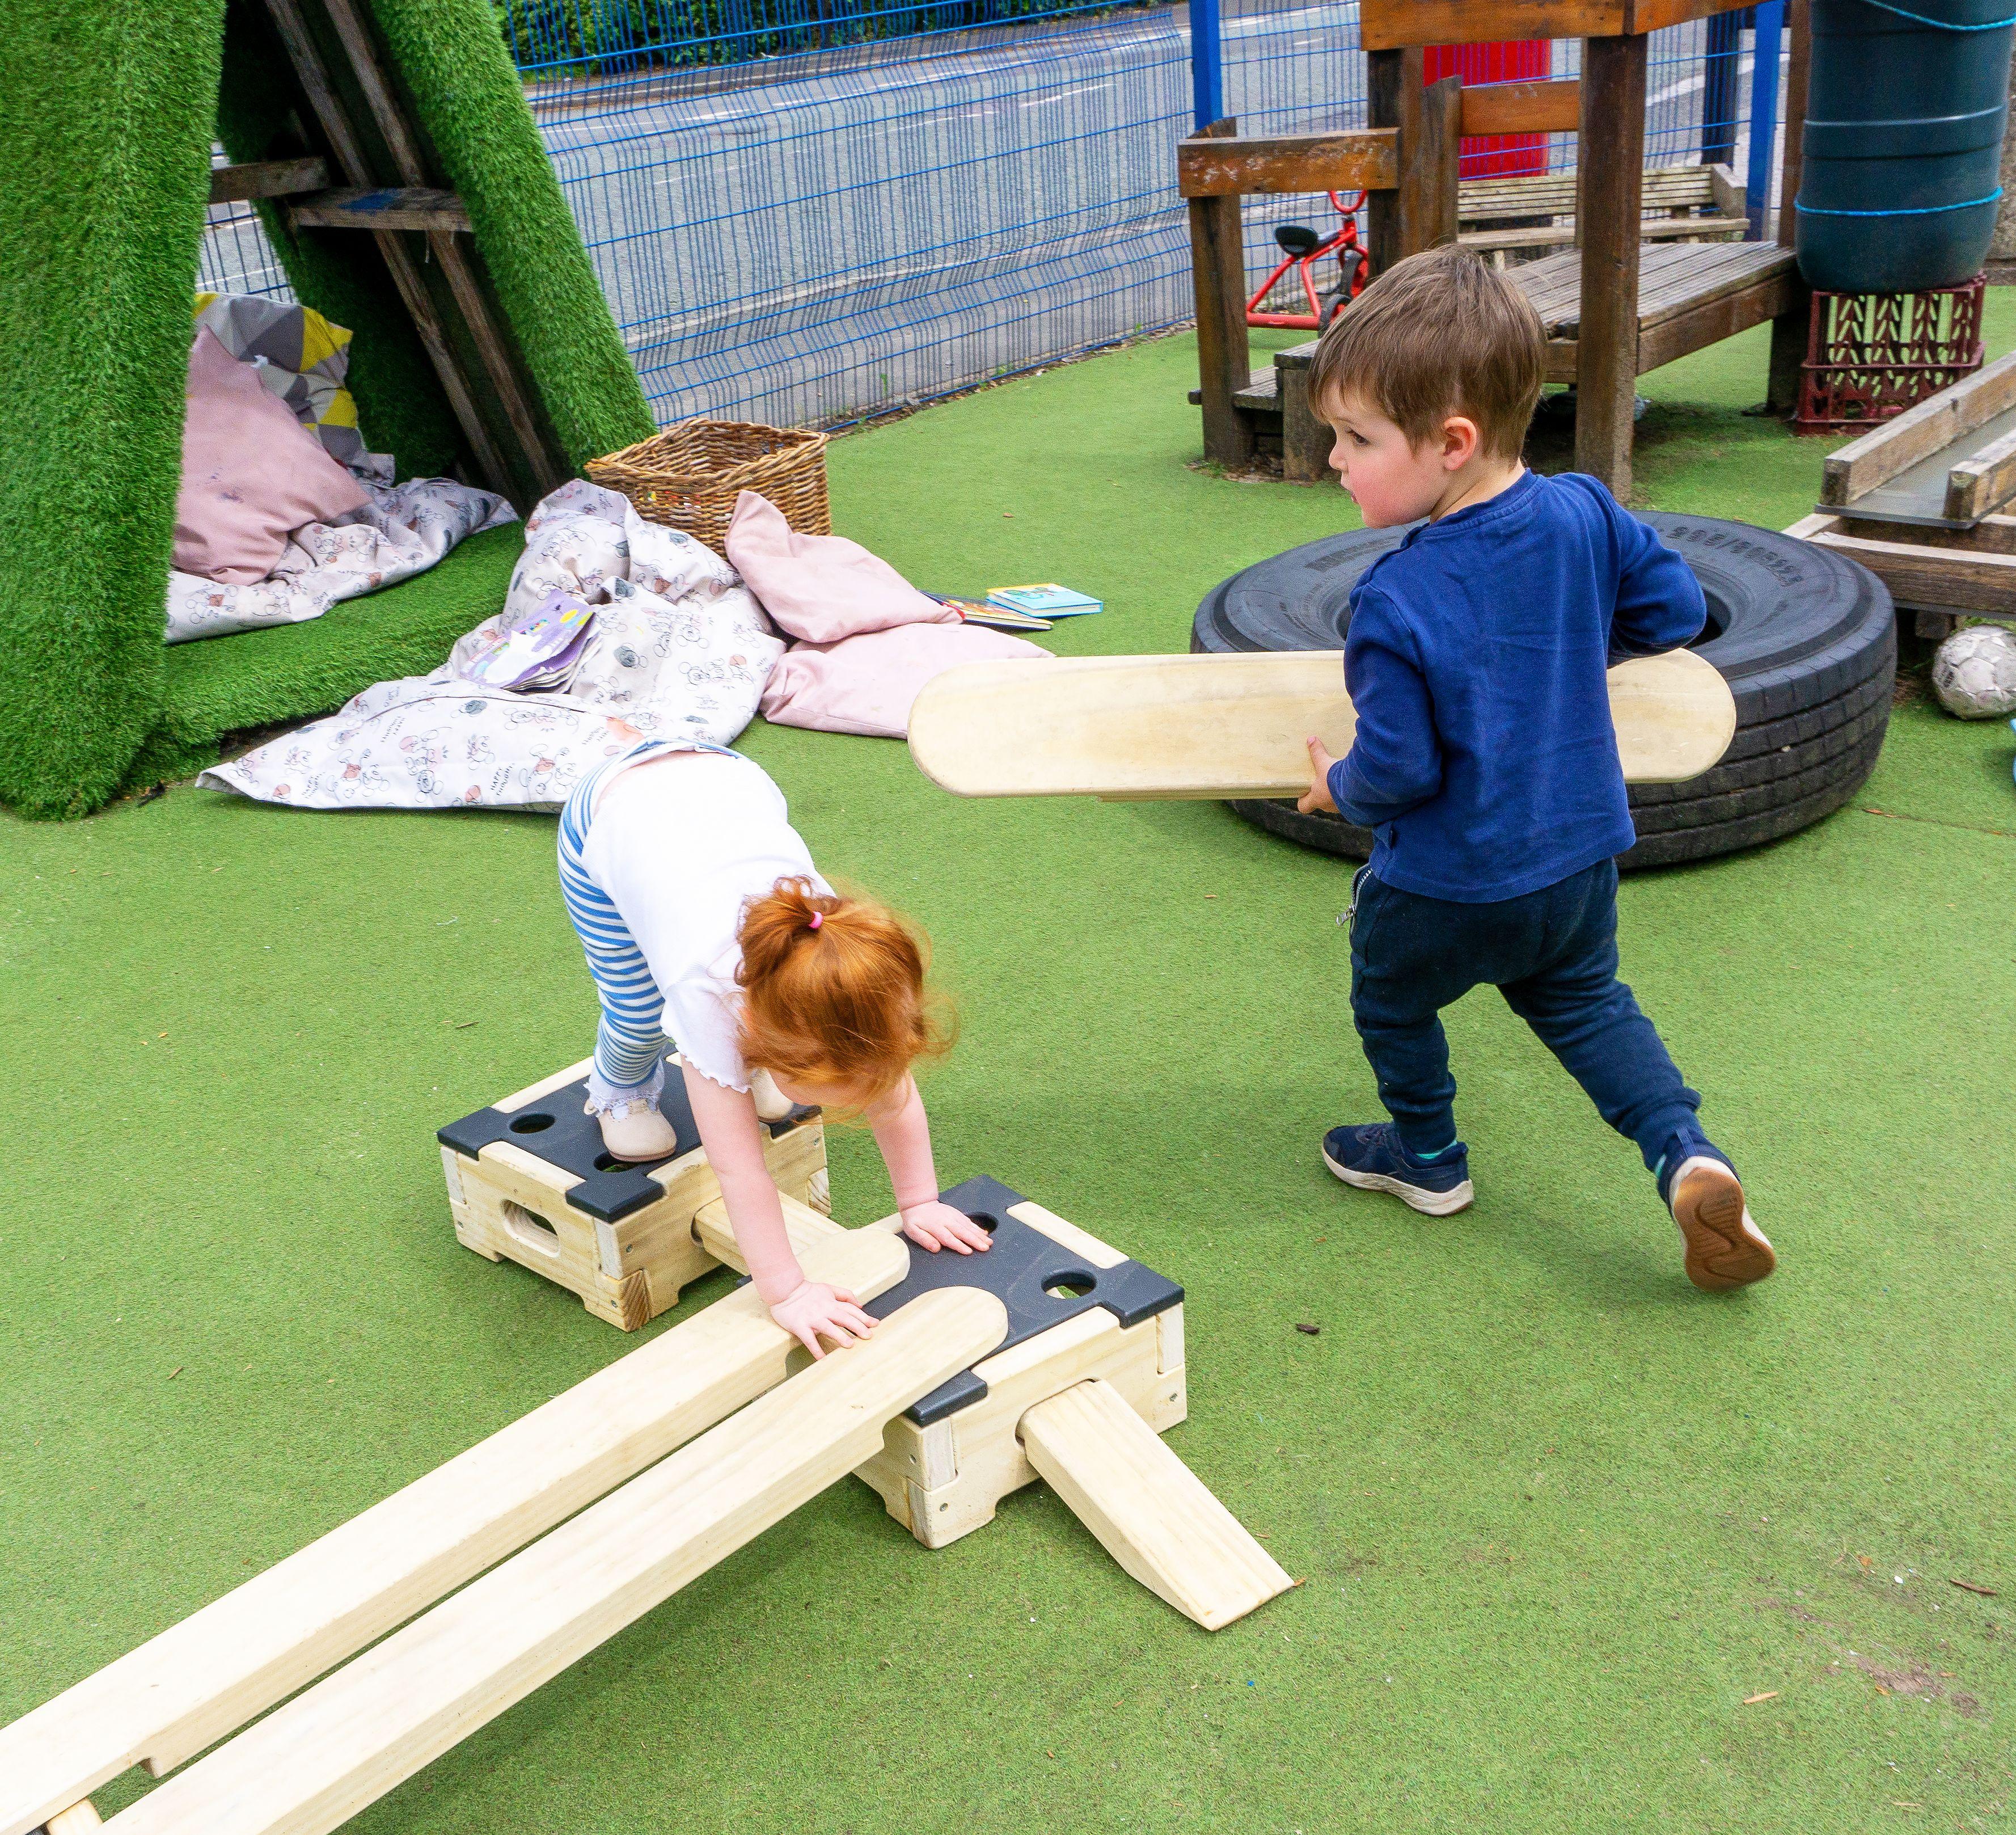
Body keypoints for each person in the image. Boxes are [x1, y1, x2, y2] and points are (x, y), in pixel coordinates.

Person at [1296, 244, 1774, 1292]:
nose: (1334, 458)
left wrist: (1340, 790)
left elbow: (1401, 771)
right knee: (1590, 1004)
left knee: (1392, 1003)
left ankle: (1427, 1161)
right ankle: (1685, 1152)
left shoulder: (1393, 600)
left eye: (1356, 439)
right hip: (1576, 864)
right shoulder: (1587, 511)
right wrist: (1561, 655)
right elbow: (1679, 613)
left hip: (1444, 883)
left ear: (1452, 443)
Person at [557, 739, 991, 1356]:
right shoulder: (701, 995)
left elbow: (894, 1105)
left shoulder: (852, 977)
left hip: (727, 783)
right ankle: (621, 1091)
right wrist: (786, 1290)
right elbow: (738, 1168)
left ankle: (759, 1069)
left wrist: (920, 1202)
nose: (868, 1097)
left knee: (770, 1077)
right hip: (611, 816)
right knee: (634, 1014)